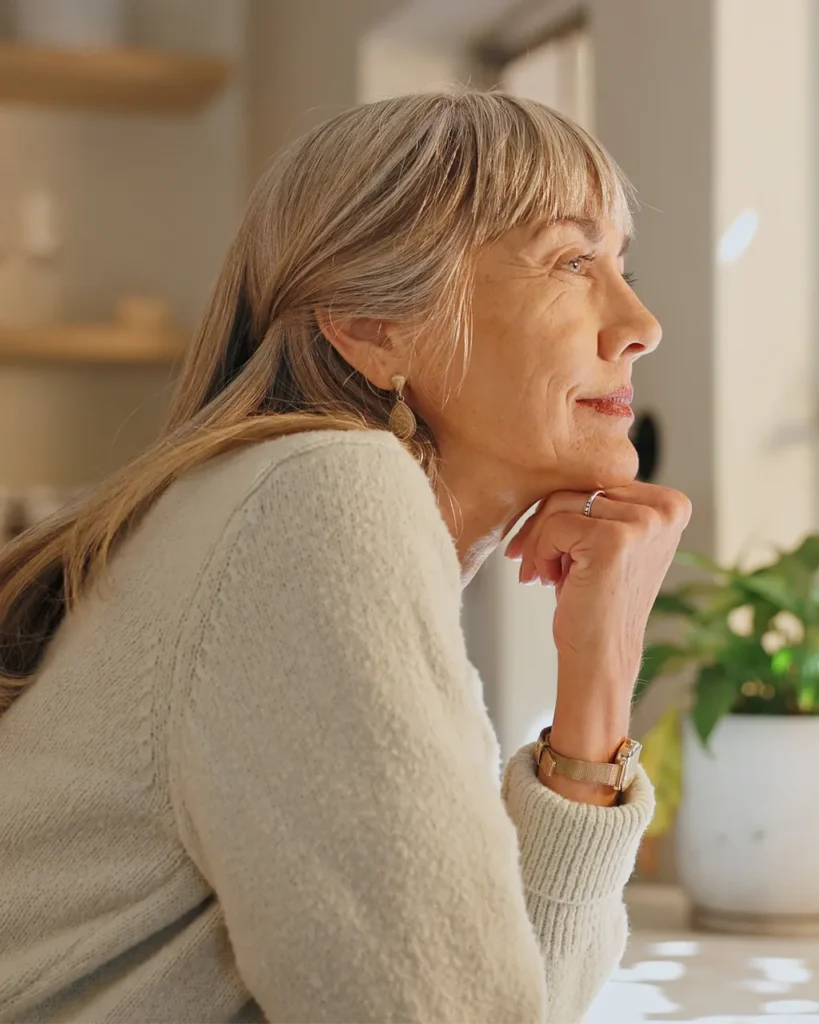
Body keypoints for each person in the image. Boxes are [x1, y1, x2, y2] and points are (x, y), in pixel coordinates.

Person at [0, 90, 691, 1023]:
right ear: (372, 328)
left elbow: (514, 995)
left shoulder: (285, 503)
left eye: (621, 264)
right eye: (572, 261)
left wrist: (597, 675)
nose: (640, 321)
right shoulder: (320, 490)